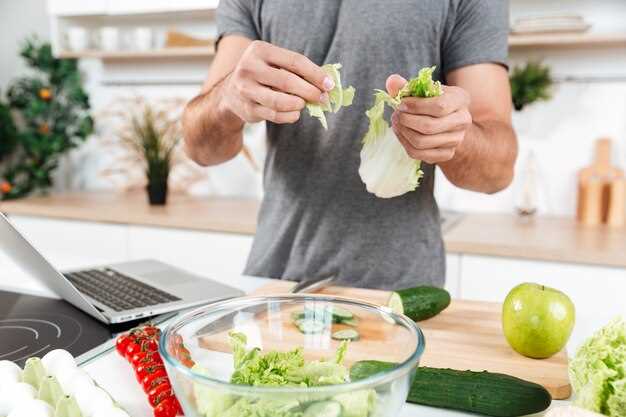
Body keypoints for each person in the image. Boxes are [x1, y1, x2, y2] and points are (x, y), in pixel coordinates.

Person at [183, 0, 518, 290]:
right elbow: (201, 149)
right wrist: (227, 99)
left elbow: (497, 172)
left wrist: (453, 135)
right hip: (277, 282)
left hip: (402, 294)